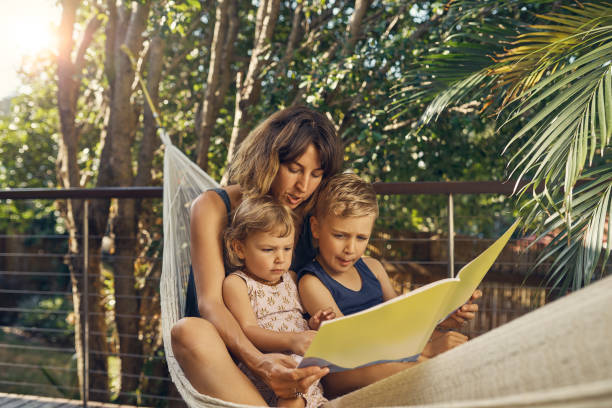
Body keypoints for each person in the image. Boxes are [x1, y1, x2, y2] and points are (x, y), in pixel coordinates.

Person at [170, 106, 344, 405]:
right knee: (187, 330)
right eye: (294, 169)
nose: (303, 186)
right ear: (269, 158)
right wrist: (260, 363)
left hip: (298, 360)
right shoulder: (213, 206)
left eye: (316, 174)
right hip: (227, 355)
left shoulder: (309, 213)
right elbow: (209, 303)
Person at [298, 172, 482, 397]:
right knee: (430, 365)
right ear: (316, 228)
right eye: (340, 235)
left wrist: (444, 320)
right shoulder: (312, 282)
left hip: (388, 355)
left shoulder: (373, 268)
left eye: (361, 238)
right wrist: (429, 348)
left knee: (458, 350)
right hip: (344, 371)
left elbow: (403, 324)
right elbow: (348, 346)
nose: (351, 248)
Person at [222, 196, 335, 408]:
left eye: (286, 248)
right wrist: (292, 340)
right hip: (271, 373)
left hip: (307, 374)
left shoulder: (291, 278)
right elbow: (248, 330)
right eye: (268, 249)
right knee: (292, 401)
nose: (280, 258)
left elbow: (296, 321)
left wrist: (314, 325)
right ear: (239, 248)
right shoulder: (238, 284)